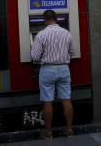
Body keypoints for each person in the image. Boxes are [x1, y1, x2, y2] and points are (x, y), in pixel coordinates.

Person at [31, 9, 76, 140]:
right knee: (66, 99)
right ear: (56, 19)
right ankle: (69, 129)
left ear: (44, 20)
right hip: (63, 69)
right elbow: (72, 52)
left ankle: (48, 132)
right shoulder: (66, 33)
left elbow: (34, 56)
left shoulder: (41, 34)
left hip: (47, 70)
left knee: (47, 101)